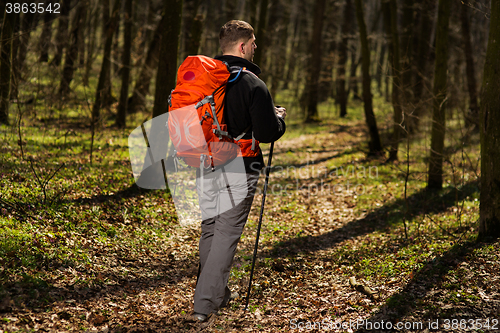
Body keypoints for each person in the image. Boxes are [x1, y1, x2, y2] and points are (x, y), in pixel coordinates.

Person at [192, 20, 286, 322]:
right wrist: (278, 118)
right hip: (240, 167)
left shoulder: (202, 79)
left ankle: (214, 291)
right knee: (226, 233)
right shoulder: (253, 84)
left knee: (210, 229)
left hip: (205, 161)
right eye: (254, 42)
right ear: (243, 46)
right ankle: (204, 305)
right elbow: (267, 132)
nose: (256, 47)